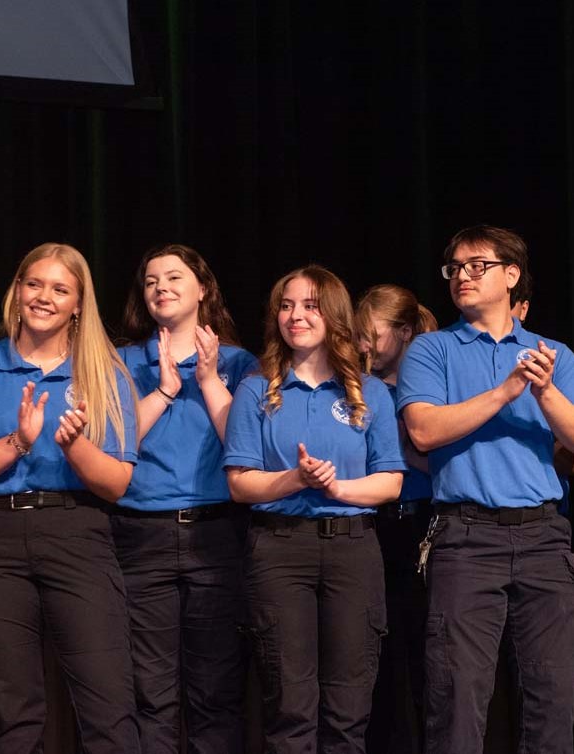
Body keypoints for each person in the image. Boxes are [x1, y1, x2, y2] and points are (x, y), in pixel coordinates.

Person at [0, 243, 141, 754]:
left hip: (76, 533)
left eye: (60, 289)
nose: (44, 297)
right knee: (12, 712)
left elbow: (116, 483)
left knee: (107, 704)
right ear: (17, 290)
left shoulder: (105, 373)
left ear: (79, 303)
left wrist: (75, 447)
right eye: (34, 284)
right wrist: (18, 443)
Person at [397, 225, 574, 754]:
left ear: (511, 275)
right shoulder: (433, 350)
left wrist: (542, 390)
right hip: (466, 537)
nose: (462, 276)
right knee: (457, 695)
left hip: (544, 535)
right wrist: (505, 390)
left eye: (478, 265)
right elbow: (424, 431)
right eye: (453, 268)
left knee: (555, 695)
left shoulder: (554, 355)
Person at [223, 264, 406, 753]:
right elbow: (240, 484)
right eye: (286, 305)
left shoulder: (368, 392)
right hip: (279, 550)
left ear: (334, 314)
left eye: (309, 305)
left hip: (351, 549)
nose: (295, 315)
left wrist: (336, 488)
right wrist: (294, 479)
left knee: (349, 709)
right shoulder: (256, 388)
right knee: (289, 706)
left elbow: (391, 482)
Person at [113, 243, 256, 754]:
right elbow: (114, 439)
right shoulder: (123, 360)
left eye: (174, 277)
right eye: (151, 281)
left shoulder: (240, 363)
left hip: (216, 532)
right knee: (150, 692)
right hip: (140, 532)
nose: (161, 288)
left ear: (202, 289)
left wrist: (208, 378)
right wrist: (167, 389)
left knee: (216, 690)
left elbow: (248, 444)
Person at [354, 284, 438, 754]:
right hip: (376, 524)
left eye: (372, 335)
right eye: (358, 336)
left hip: (424, 523)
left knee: (429, 655)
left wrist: (410, 441)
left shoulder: (429, 388)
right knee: (376, 655)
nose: (363, 346)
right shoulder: (361, 390)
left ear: (405, 332)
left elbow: (433, 458)